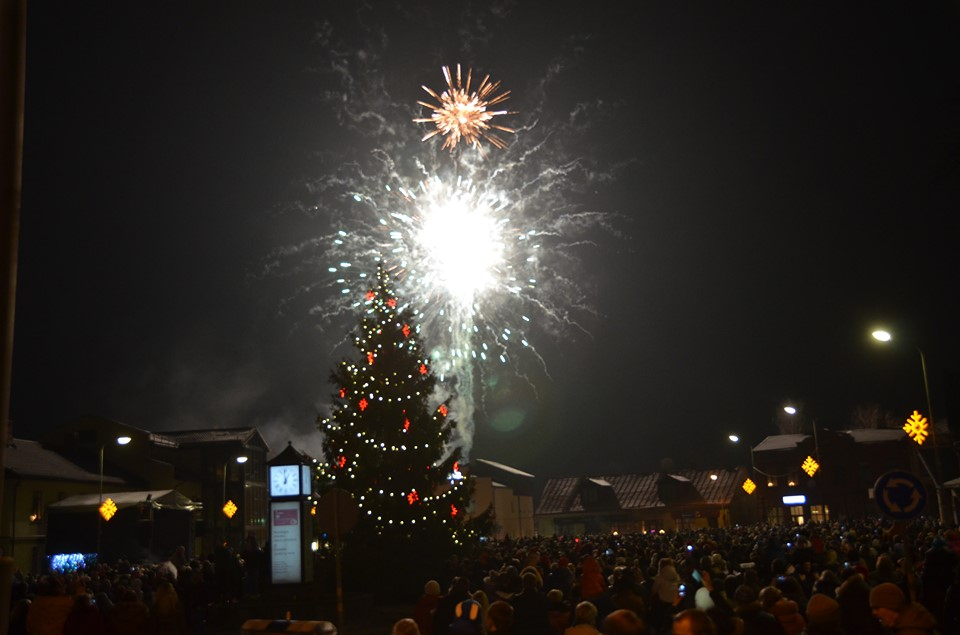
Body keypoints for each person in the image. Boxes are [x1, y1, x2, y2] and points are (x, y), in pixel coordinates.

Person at [869, 582, 939, 635]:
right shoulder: (912, 623)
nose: (874, 613)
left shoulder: (911, 631)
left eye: (877, 608)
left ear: (891, 606)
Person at [511, 570, 551, 635]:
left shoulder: (516, 600)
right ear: (535, 583)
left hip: (521, 631)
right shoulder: (544, 599)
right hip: (540, 630)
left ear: (523, 583)